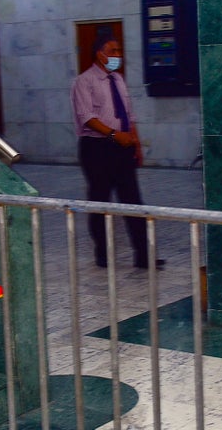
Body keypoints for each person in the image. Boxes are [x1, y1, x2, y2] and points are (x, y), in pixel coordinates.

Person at [71, 34, 164, 270]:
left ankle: (144, 256)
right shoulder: (85, 81)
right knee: (100, 202)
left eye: (118, 51)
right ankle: (103, 254)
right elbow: (87, 117)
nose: (117, 55)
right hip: (97, 149)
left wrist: (136, 143)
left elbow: (129, 115)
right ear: (99, 54)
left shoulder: (118, 80)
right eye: (112, 51)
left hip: (123, 148)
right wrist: (114, 134)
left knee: (133, 202)